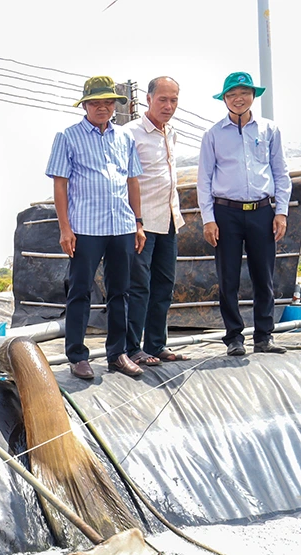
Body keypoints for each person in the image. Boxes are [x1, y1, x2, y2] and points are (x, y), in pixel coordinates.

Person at [46, 75, 146, 381]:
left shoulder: (124, 138)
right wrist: (65, 229)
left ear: (115, 106)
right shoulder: (68, 136)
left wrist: (138, 223)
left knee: (120, 292)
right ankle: (77, 356)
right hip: (86, 227)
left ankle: (118, 353)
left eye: (108, 102)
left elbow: (132, 181)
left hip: (121, 225)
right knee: (80, 291)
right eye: (95, 103)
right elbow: (60, 184)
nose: (102, 108)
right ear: (85, 105)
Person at [197, 71, 291, 356]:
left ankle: (264, 336)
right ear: (224, 99)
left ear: (253, 96)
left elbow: (280, 172)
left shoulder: (269, 130)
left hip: (262, 210)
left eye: (244, 93)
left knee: (264, 275)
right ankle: (234, 337)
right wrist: (208, 219)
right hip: (226, 213)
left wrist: (282, 212)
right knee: (228, 278)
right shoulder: (213, 135)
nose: (238, 99)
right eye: (232, 95)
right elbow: (204, 179)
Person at [124, 76, 189, 365]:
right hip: (141, 222)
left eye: (174, 100)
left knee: (164, 285)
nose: (168, 105)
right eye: (162, 99)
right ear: (148, 99)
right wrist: (135, 222)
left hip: (169, 220)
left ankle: (156, 344)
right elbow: (126, 180)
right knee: (139, 287)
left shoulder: (170, 133)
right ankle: (131, 348)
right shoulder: (130, 133)